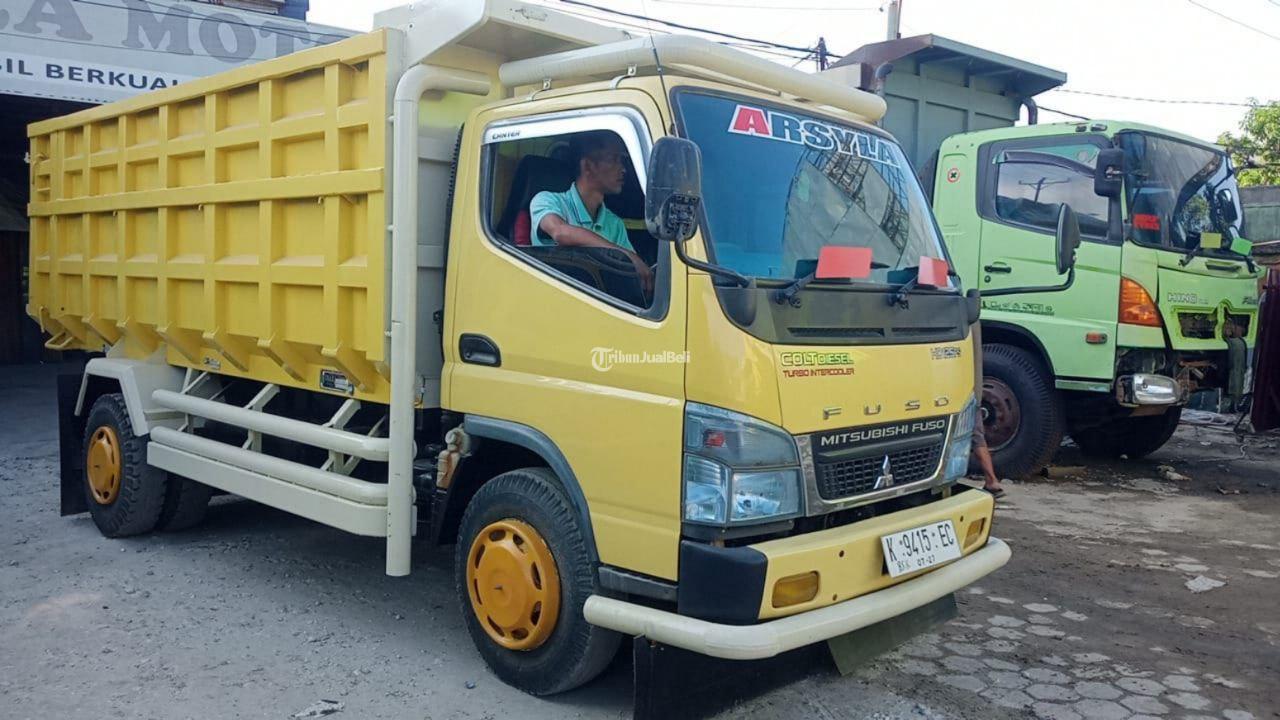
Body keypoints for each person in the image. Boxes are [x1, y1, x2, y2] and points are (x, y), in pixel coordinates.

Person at [530, 131, 653, 292]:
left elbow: (631, 272)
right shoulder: (547, 200)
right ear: (588, 166)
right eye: (613, 159)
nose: (623, 169)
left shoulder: (615, 224)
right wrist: (625, 254)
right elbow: (560, 232)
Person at [969, 323, 1005, 498]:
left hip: (961, 390)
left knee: (974, 435)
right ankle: (992, 481)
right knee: (977, 435)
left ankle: (991, 480)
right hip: (972, 389)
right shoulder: (971, 320)